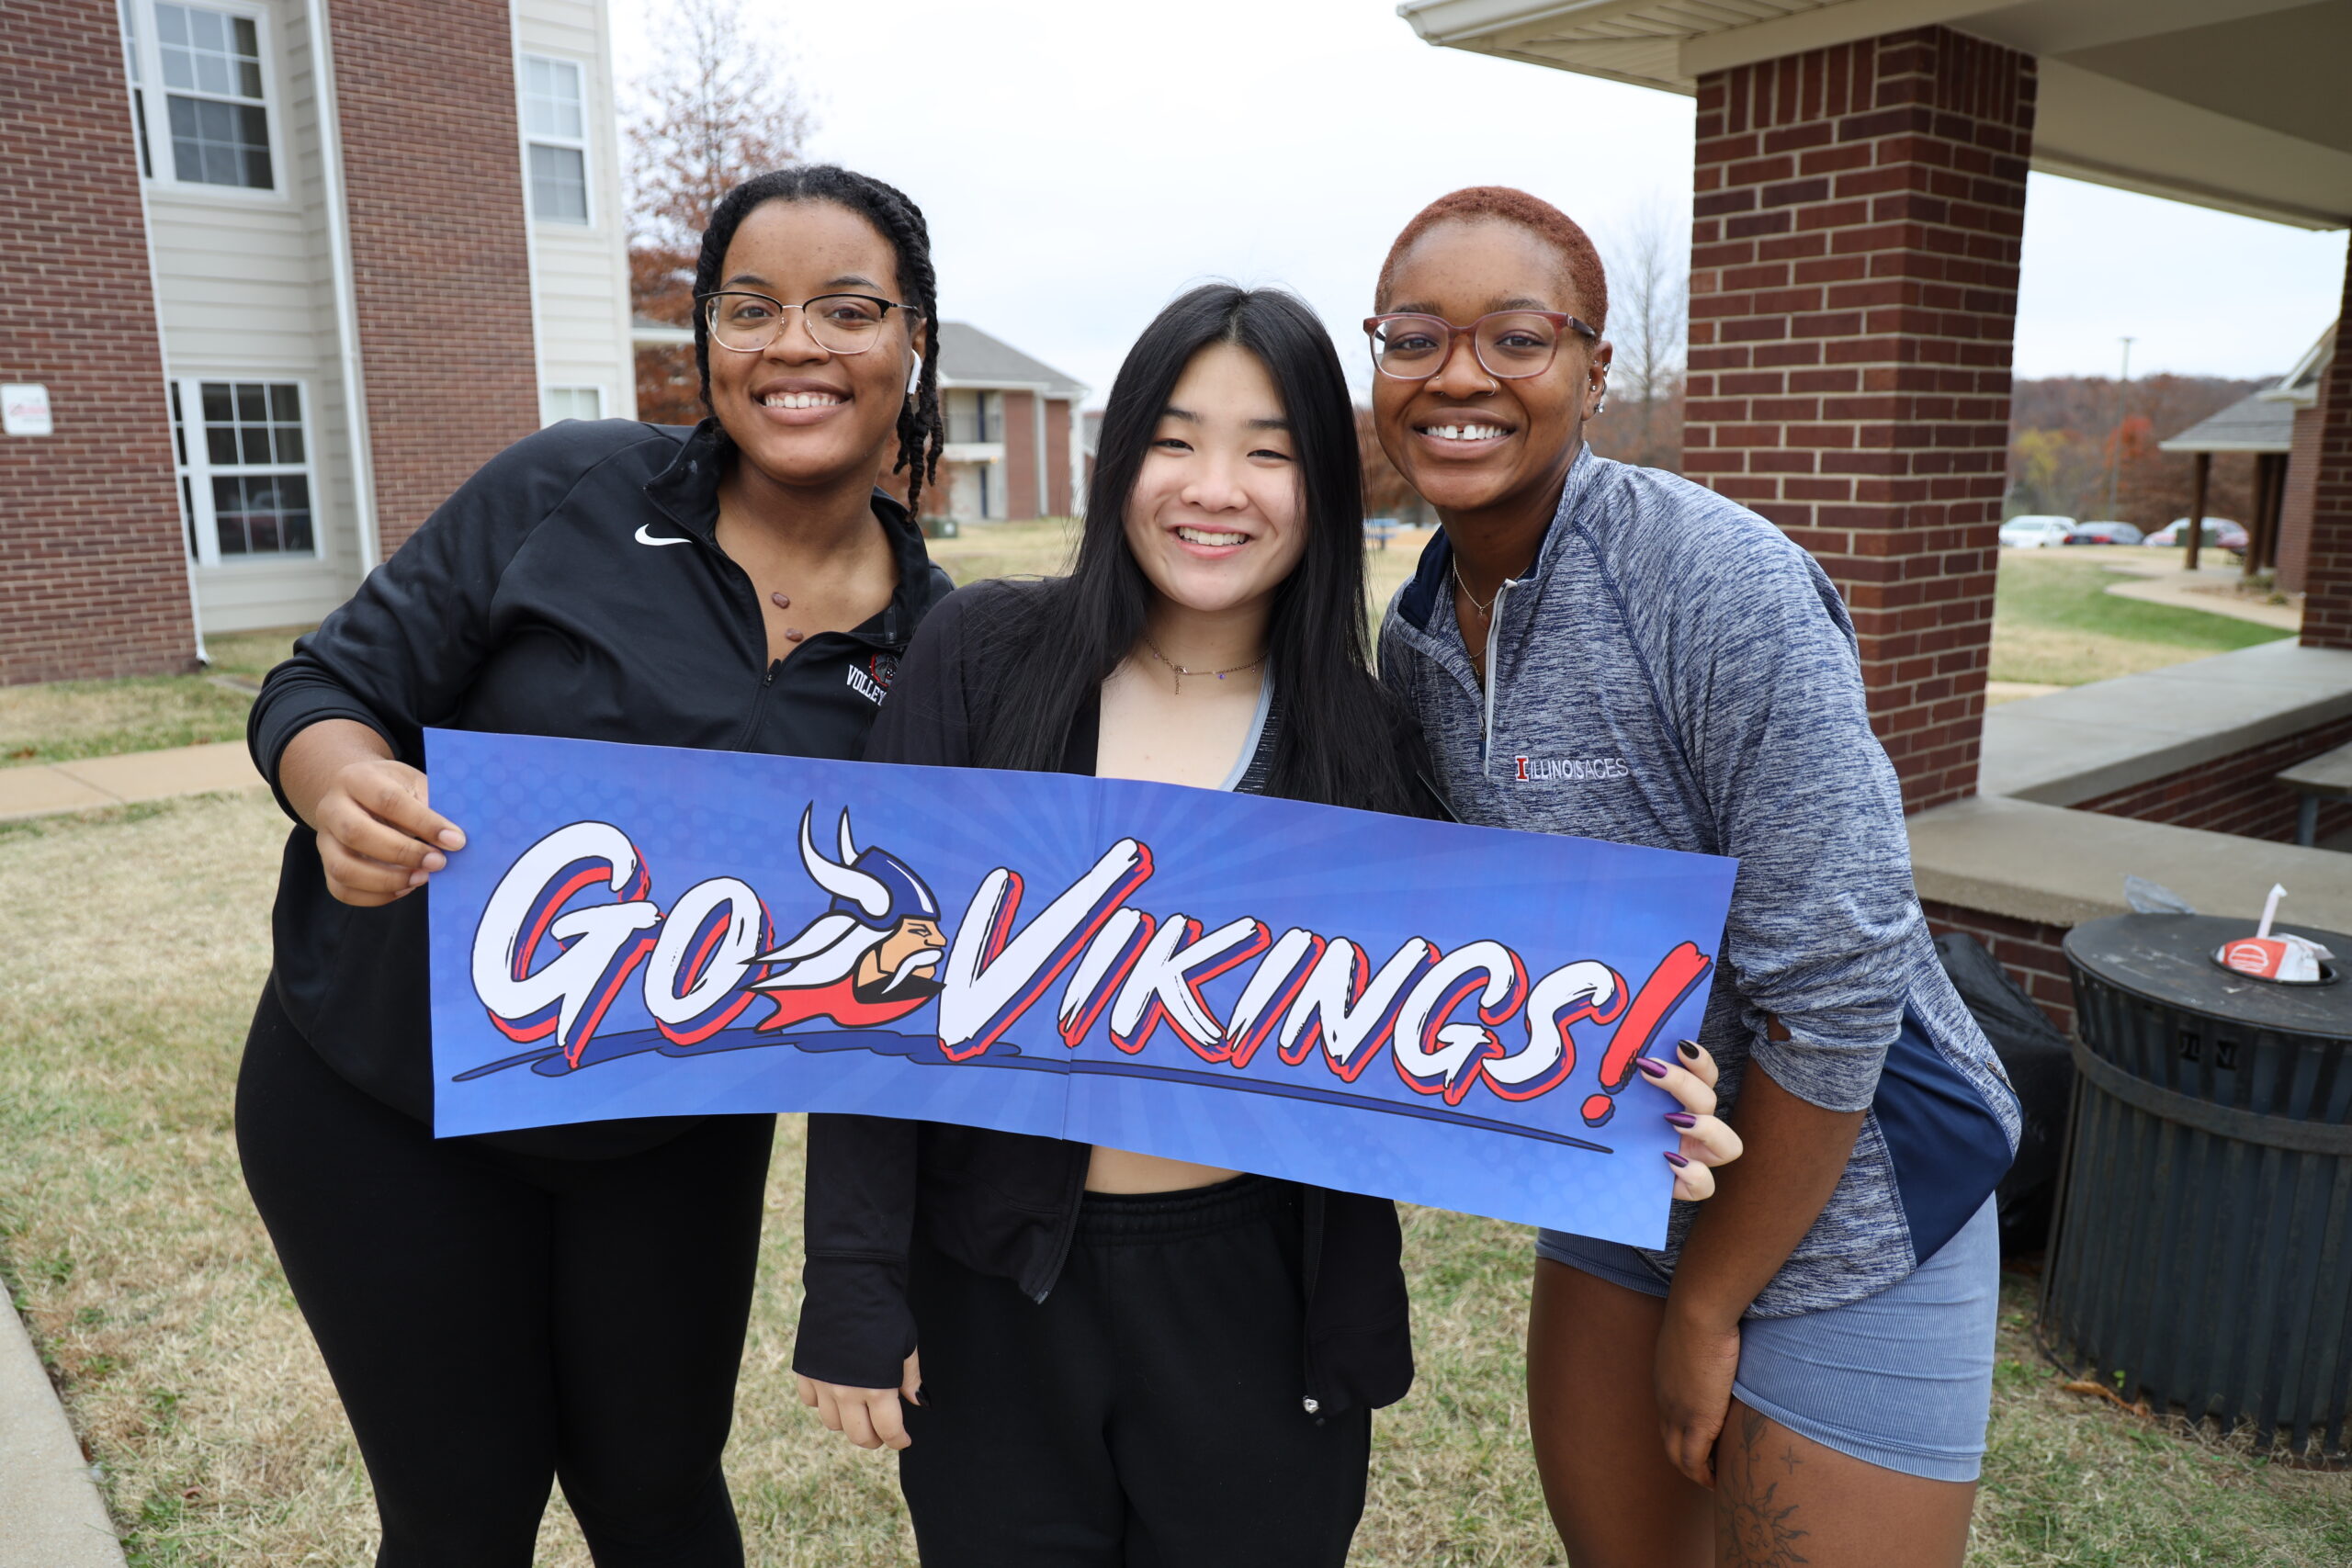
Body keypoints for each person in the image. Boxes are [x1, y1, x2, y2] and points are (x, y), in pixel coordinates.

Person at [788, 283, 1742, 1567]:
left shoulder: (1370, 731)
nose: (1214, 488)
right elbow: (868, 995)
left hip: (1261, 1297)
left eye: (1269, 451)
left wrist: (1631, 1100)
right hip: (996, 1283)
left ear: (1324, 492)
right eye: (1176, 441)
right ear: (1121, 459)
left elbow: (1482, 996)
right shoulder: (982, 655)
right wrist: (853, 1284)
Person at [235, 165, 955, 1566]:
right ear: (705, 340)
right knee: (460, 1515)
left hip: (667, 1133)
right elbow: (322, 685)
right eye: (750, 308)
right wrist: (341, 783)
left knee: (658, 1495)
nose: (793, 345)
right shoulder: (566, 488)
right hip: (389, 1095)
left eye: (847, 309)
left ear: (914, 338)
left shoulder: (944, 648)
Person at [1367, 186, 2020, 1568]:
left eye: (1518, 336)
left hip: (1852, 1187)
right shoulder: (1416, 636)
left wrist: (1712, 1307)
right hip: (1626, 1171)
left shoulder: (1715, 585)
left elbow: (1841, 989)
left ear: (1596, 370)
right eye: (1415, 336)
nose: (1460, 376)